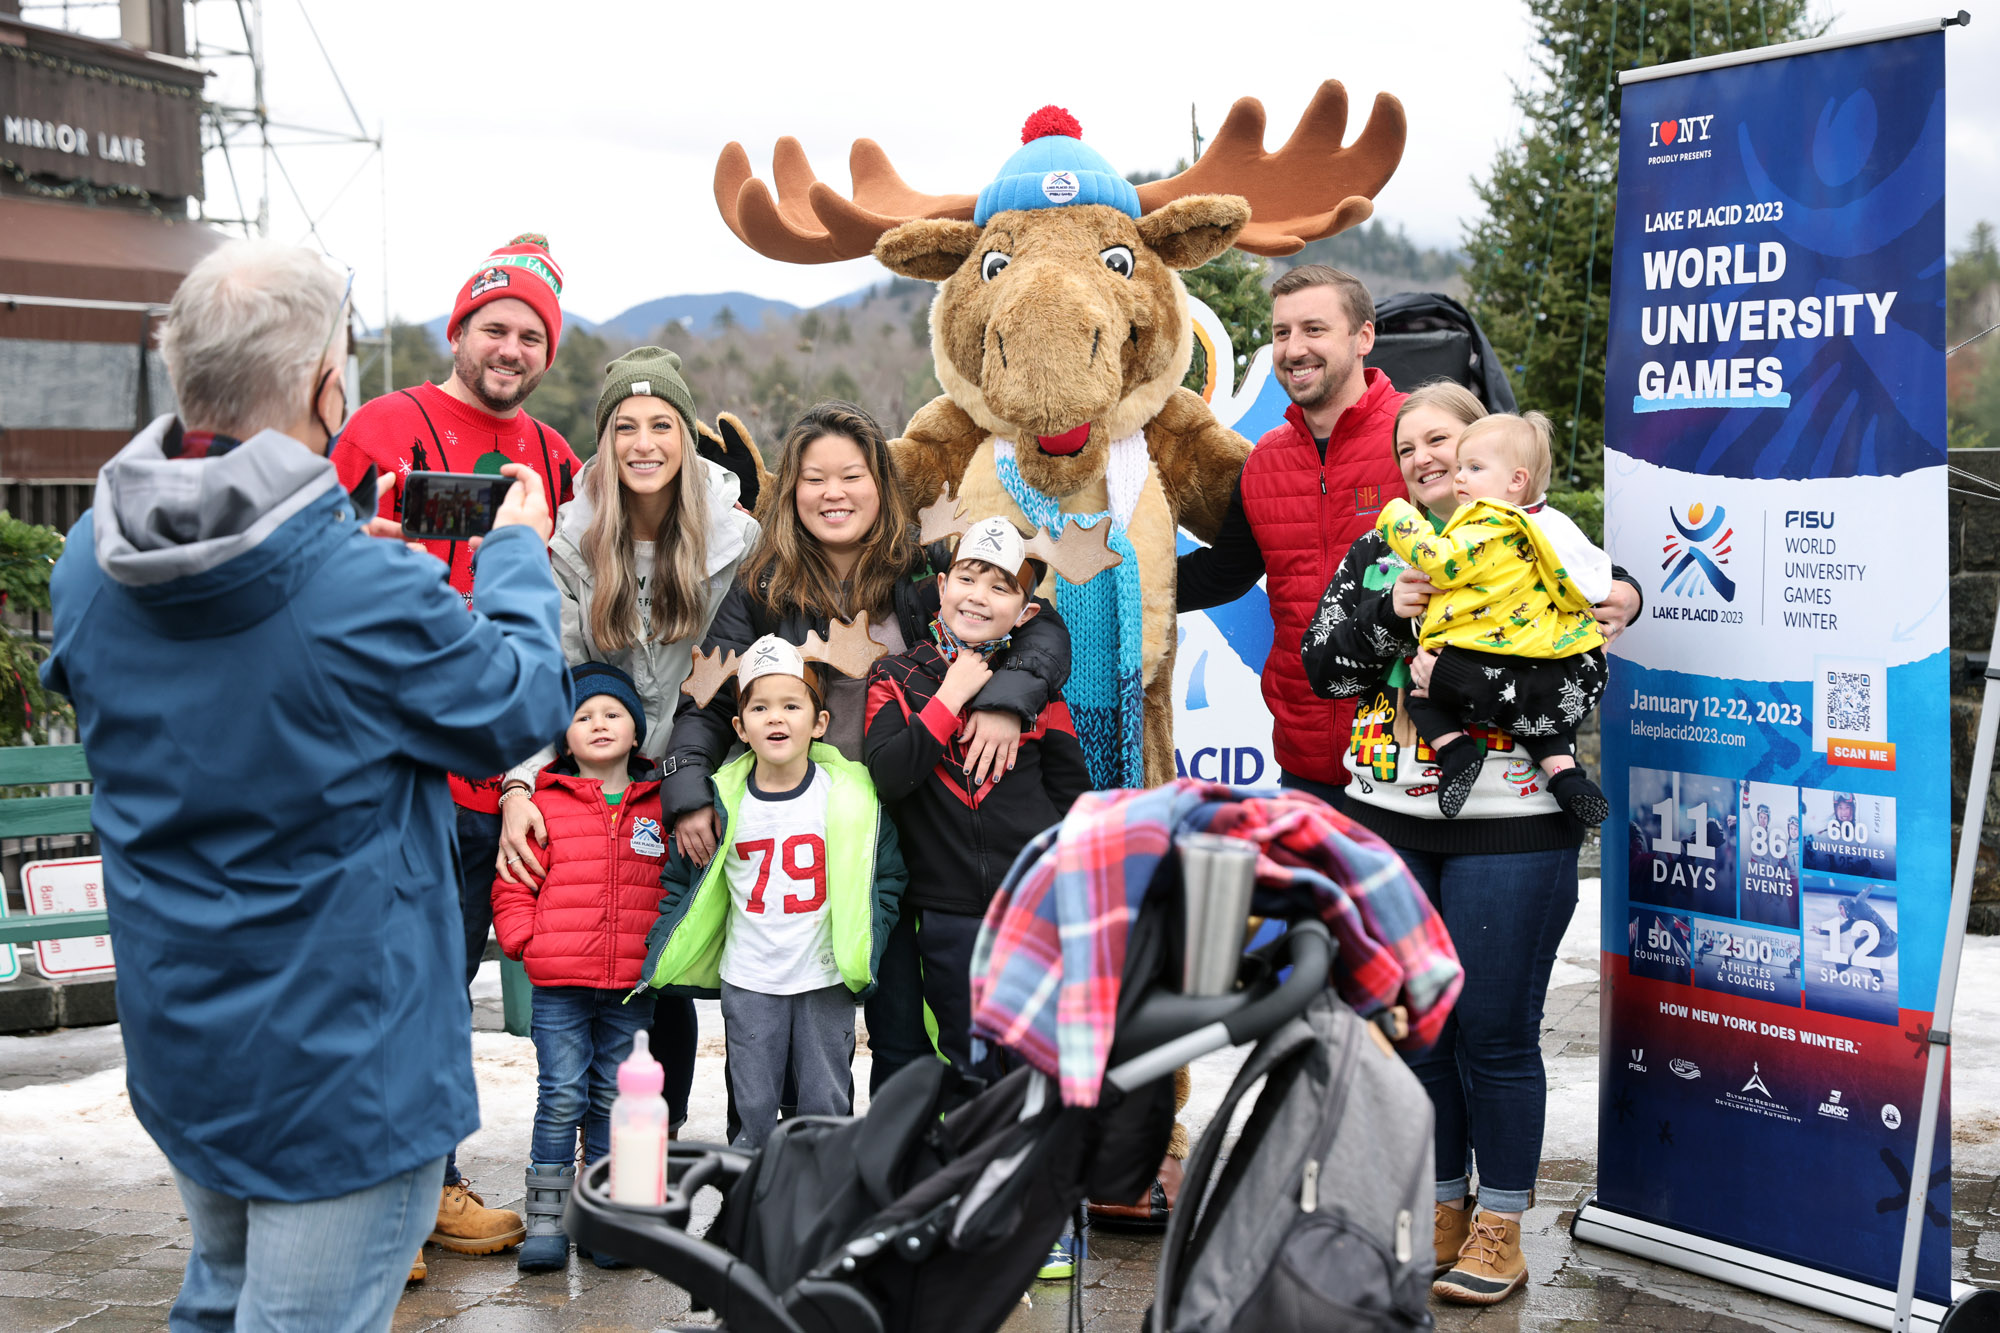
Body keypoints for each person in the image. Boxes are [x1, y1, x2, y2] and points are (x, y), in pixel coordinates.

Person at [41, 239, 569, 1330]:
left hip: (185, 1034)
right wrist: (515, 551)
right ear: (330, 386)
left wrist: (350, 563)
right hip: (342, 1063)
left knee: (222, 1297)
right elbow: (516, 705)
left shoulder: (90, 557)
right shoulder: (354, 593)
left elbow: (240, 682)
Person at [1301, 379, 1641, 1307]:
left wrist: (1451, 673)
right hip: (1388, 821)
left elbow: (1573, 691)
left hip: (1513, 825)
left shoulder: (1541, 541)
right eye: (1408, 447)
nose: (1425, 458)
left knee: (1492, 1031)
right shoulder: (1385, 548)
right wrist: (1391, 615)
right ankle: (1443, 1207)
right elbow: (1322, 665)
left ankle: (1501, 1223)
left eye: (1443, 438)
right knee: (1420, 1029)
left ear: (1489, 448)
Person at [662, 400, 1071, 1095]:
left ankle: (911, 1172)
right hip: (807, 821)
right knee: (795, 1018)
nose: (833, 493)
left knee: (906, 1025)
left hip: (917, 813)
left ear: (880, 482)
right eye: (814, 478)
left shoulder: (925, 565)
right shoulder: (764, 584)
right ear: (791, 490)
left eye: (851, 475)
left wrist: (1009, 699)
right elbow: (710, 695)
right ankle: (790, 1168)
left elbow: (1038, 625)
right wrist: (688, 784)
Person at [333, 233, 581, 1263]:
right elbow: (310, 548)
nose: (511, 347)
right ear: (459, 329)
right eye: (495, 326)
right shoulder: (385, 424)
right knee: (382, 984)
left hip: (496, 771)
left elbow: (569, 604)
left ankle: (425, 1187)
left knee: (446, 988)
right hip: (390, 765)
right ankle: (363, 1194)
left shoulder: (555, 455)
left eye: (530, 334)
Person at [492, 347, 760, 1141]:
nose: (644, 443)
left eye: (662, 425)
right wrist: (519, 786)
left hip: (697, 770)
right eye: (625, 427)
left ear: (684, 436)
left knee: (675, 968)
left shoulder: (733, 540)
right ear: (605, 443)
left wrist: (703, 779)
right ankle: (603, 1153)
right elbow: (548, 673)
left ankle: (666, 1138)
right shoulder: (573, 542)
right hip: (602, 778)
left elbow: (743, 668)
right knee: (615, 964)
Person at [644, 637, 908, 1149]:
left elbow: (887, 874)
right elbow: (683, 878)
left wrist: (869, 932)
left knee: (825, 1101)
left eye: (791, 705)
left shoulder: (850, 794)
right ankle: (749, 1206)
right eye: (760, 708)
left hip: (823, 974)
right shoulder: (721, 798)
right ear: (740, 729)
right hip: (750, 977)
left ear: (820, 722)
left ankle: (821, 1209)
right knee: (754, 1102)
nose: (776, 718)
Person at [863, 516, 1093, 1072]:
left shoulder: (1034, 691)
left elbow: (1073, 798)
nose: (979, 597)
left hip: (1032, 908)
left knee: (1038, 1054)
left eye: (1001, 587)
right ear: (941, 587)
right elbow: (890, 776)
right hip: (946, 912)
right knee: (968, 1056)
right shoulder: (893, 676)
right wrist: (950, 696)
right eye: (967, 578)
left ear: (1025, 611)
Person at [1177, 264, 1409, 803]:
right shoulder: (1265, 461)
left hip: (1413, 755)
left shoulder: (1418, 437)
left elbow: (1509, 530)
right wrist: (1105, 583)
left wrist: (1621, 586)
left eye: (1314, 329)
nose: (1294, 348)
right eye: (1282, 333)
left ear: (1363, 337)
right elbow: (1223, 573)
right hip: (1305, 761)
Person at [490, 664, 665, 1274]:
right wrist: (524, 942)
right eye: (583, 716)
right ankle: (545, 1220)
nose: (597, 724)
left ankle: (601, 1216)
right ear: (563, 738)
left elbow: (675, 888)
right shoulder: (543, 803)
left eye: (612, 714)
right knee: (561, 1095)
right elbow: (512, 884)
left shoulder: (658, 804)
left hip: (630, 986)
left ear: (637, 733)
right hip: (559, 980)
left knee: (616, 1099)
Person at [1374, 411, 1612, 822]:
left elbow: (1441, 561)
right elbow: (1593, 577)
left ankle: (1457, 752)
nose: (1460, 477)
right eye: (1406, 450)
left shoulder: (1487, 522)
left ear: (1515, 480)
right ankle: (1567, 776)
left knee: (1422, 698)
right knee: (1540, 724)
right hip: (1537, 649)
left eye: (1473, 467)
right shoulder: (1550, 524)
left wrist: (1398, 518)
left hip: (1478, 649)